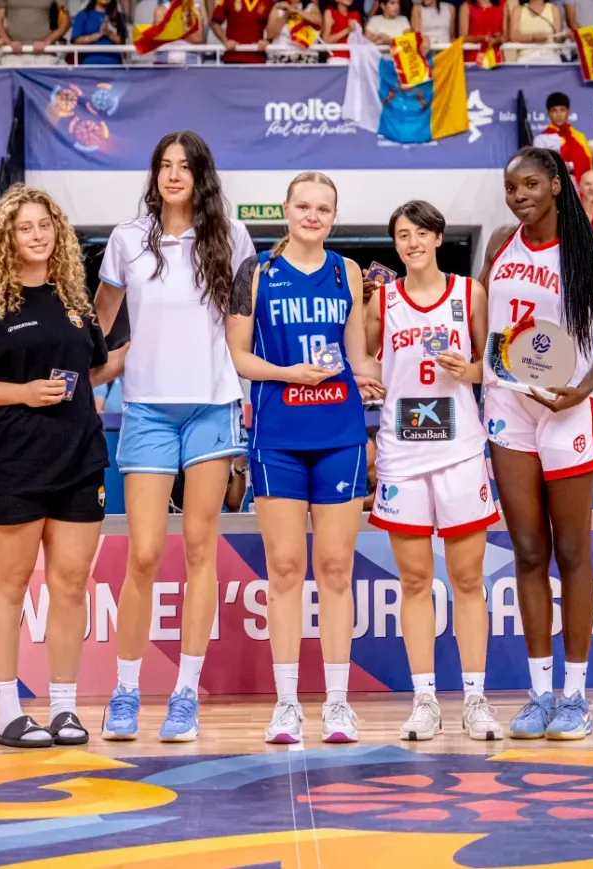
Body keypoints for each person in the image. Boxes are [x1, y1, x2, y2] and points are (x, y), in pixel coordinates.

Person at [92, 131, 254, 743]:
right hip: (147, 410)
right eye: (164, 164)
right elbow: (100, 322)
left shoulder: (233, 238)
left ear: (202, 175)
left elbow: (245, 322)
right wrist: (80, 369)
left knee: (199, 551)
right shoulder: (126, 239)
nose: (173, 174)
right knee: (141, 554)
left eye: (185, 166)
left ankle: (185, 692)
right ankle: (126, 690)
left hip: (213, 407)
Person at [0, 186, 117, 749]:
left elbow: (93, 368)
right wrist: (22, 392)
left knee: (70, 586)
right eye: (25, 228)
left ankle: (65, 710)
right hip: (12, 463)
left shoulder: (74, 299)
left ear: (57, 232)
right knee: (12, 585)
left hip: (80, 458)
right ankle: (6, 712)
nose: (37, 235)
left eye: (45, 225)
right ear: (7, 238)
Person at [225, 171, 382, 745]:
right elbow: (238, 357)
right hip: (278, 436)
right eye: (303, 206)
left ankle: (337, 703)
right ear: (286, 211)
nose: (312, 216)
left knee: (336, 571)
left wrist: (377, 379)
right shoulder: (256, 272)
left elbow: (357, 354)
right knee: (286, 569)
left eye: (323, 208)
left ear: (333, 217)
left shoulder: (348, 271)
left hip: (339, 430)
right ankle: (287, 703)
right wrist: (288, 373)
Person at [481, 147, 593, 739]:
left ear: (557, 186)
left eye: (530, 184)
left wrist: (580, 392)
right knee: (526, 550)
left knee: (571, 552)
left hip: (565, 407)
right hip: (506, 404)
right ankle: (538, 693)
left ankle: (576, 695)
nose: (518, 195)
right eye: (511, 185)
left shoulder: (592, 251)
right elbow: (484, 322)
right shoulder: (498, 243)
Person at [363, 200, 501, 742]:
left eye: (421, 233)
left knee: (468, 580)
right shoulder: (384, 299)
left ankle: (475, 700)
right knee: (415, 580)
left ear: (439, 237)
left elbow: (494, 364)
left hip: (460, 448)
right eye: (402, 235)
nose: (412, 242)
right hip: (402, 451)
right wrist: (365, 374)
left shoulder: (470, 293)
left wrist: (469, 369)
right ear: (395, 244)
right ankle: (424, 700)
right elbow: (365, 357)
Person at [533, 92, 593, 185]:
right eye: (554, 110)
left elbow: (587, 163)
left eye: (562, 110)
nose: (559, 114)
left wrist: (570, 165)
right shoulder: (541, 139)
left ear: (568, 112)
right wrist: (570, 165)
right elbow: (541, 166)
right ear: (548, 114)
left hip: (580, 187)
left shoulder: (579, 136)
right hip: (554, 187)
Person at [0, 0, 69, 64]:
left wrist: (47, 41)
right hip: (12, 55)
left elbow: (66, 20)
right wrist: (9, 43)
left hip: (44, 55)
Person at [71, 0, 128, 64]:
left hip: (114, 65)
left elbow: (123, 42)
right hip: (90, 66)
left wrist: (109, 33)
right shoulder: (82, 15)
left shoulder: (118, 16)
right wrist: (98, 35)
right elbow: (76, 41)